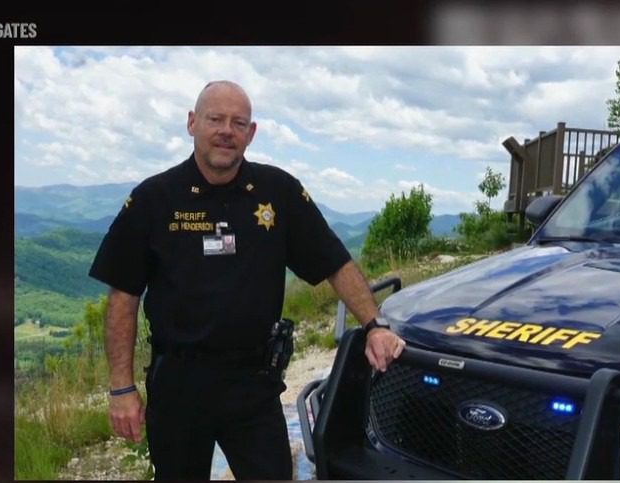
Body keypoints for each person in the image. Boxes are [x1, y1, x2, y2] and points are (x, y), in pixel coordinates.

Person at [88, 80, 406, 480]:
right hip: (179, 384)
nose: (227, 130)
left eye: (239, 123)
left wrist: (374, 325)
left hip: (253, 384)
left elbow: (335, 262)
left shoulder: (278, 193)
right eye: (215, 119)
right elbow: (123, 295)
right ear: (192, 123)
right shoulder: (155, 198)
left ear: (251, 133)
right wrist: (121, 387)